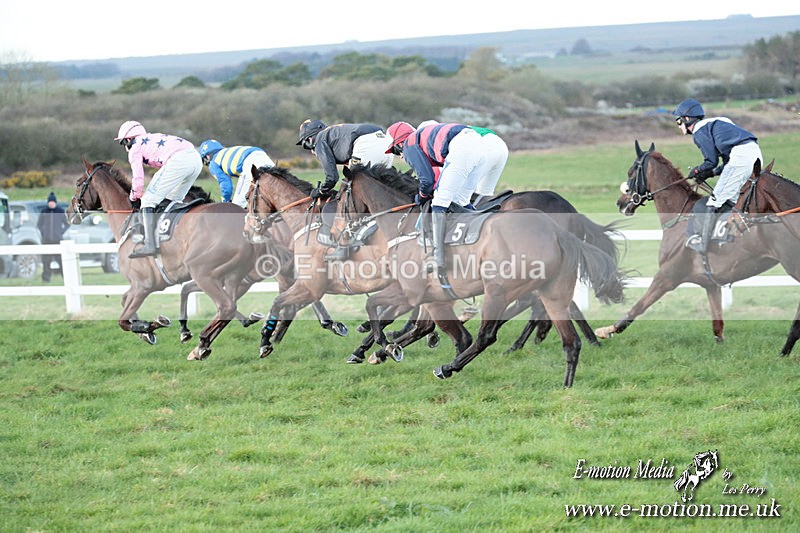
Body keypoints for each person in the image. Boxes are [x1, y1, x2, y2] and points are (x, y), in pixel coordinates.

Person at [385, 121, 487, 272]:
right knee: (460, 200)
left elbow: (426, 180)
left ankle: (438, 259)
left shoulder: (409, 145)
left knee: (439, 202)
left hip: (462, 147)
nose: (400, 156)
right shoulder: (420, 138)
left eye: (395, 151)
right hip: (480, 146)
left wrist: (422, 195)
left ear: (399, 143)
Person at [673, 98, 763, 254]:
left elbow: (711, 161)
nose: (678, 125)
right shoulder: (719, 122)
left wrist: (697, 171)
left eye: (678, 121)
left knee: (715, 201)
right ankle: (731, 236)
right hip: (754, 154)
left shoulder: (699, 130)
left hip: (741, 157)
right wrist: (711, 173)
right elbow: (724, 163)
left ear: (687, 119)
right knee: (733, 200)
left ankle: (702, 243)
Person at [297, 119, 394, 260]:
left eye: (306, 145)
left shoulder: (319, 140)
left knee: (347, 194)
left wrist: (321, 190)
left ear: (310, 139)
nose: (311, 152)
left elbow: (332, 177)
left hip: (366, 145)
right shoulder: (334, 134)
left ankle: (342, 247)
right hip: (385, 142)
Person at [115, 120, 203, 258]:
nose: (124, 147)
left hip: (179, 160)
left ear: (128, 140)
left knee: (148, 200)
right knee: (173, 199)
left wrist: (134, 196)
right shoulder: (151, 138)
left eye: (122, 143)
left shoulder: (135, 148)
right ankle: (175, 235)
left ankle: (150, 244)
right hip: (196, 159)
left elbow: (138, 180)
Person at [415, 119, 508, 205]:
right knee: (485, 195)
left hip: (485, 147)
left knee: (461, 197)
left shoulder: (438, 141)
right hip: (500, 146)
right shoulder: (451, 129)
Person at [198, 140, 275, 208]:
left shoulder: (213, 163)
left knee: (236, 207)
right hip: (262, 154)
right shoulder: (227, 151)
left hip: (249, 163)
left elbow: (225, 184)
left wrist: (225, 201)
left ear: (207, 157)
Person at [37, 192, 69, 282]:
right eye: (49, 202)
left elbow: (67, 224)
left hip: (58, 241)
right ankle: (46, 279)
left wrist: (61, 232)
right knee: (46, 262)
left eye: (52, 202)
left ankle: (66, 278)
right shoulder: (44, 211)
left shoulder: (60, 211)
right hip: (46, 241)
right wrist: (43, 232)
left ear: (55, 202)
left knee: (62, 261)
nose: (51, 203)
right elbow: (39, 224)